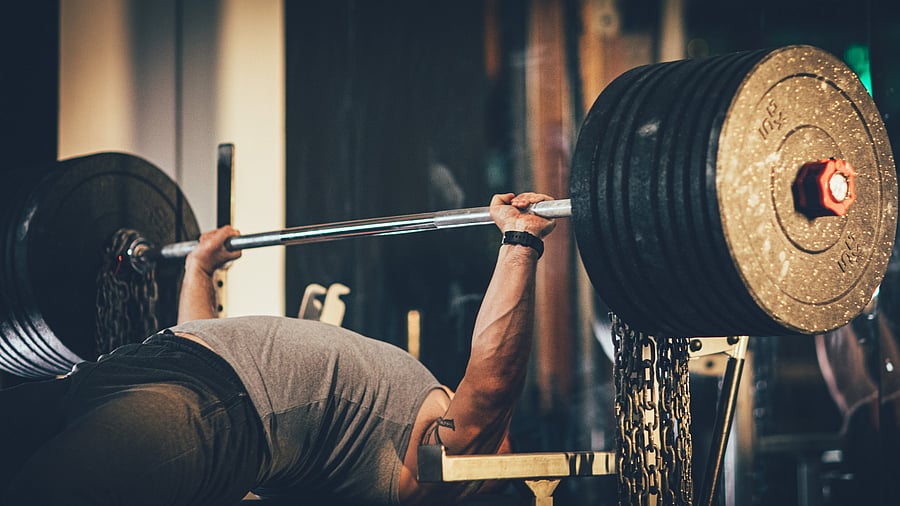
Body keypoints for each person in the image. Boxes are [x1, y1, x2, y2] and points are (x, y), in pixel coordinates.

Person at [0, 192, 557, 506]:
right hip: (147, 371)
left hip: (216, 414)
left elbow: (489, 387)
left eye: (504, 460)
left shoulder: (430, 480)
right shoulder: (410, 418)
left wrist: (520, 243)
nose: (507, 446)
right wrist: (199, 268)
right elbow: (218, 349)